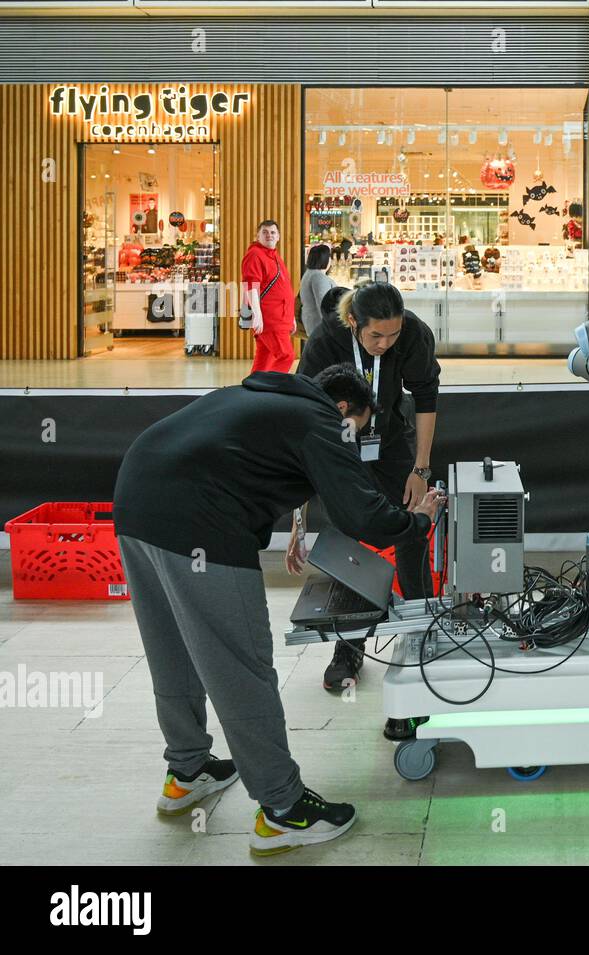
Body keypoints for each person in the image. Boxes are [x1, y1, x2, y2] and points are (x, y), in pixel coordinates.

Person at [113, 364, 444, 856]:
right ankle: (284, 811)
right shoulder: (320, 420)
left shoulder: (262, 397)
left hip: (135, 500)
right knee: (239, 665)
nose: (353, 441)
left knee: (172, 649)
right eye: (357, 428)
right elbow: (360, 514)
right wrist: (416, 522)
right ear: (342, 409)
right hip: (198, 524)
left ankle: (187, 771)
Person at [295, 282, 441, 739]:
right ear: (354, 323)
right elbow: (299, 418)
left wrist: (420, 467)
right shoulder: (325, 341)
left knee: (412, 526)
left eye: (393, 336)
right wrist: (298, 519)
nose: (386, 345)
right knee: (350, 537)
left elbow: (428, 398)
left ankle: (420, 626)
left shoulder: (412, 334)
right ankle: (349, 646)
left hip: (391, 441)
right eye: (377, 337)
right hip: (339, 442)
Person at [242, 219, 295, 373]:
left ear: (278, 236)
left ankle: (253, 391)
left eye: (273, 232)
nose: (269, 235)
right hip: (271, 319)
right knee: (286, 356)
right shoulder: (255, 255)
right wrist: (257, 315)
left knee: (264, 361)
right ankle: (272, 390)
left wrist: (291, 317)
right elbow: (251, 285)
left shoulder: (274, 256)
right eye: (264, 232)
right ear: (257, 236)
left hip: (280, 317)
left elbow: (283, 288)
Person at [299, 243, 336, 337]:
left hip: (312, 324)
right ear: (325, 259)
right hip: (319, 327)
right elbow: (323, 305)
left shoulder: (309, 273)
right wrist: (333, 328)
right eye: (330, 257)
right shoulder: (318, 277)